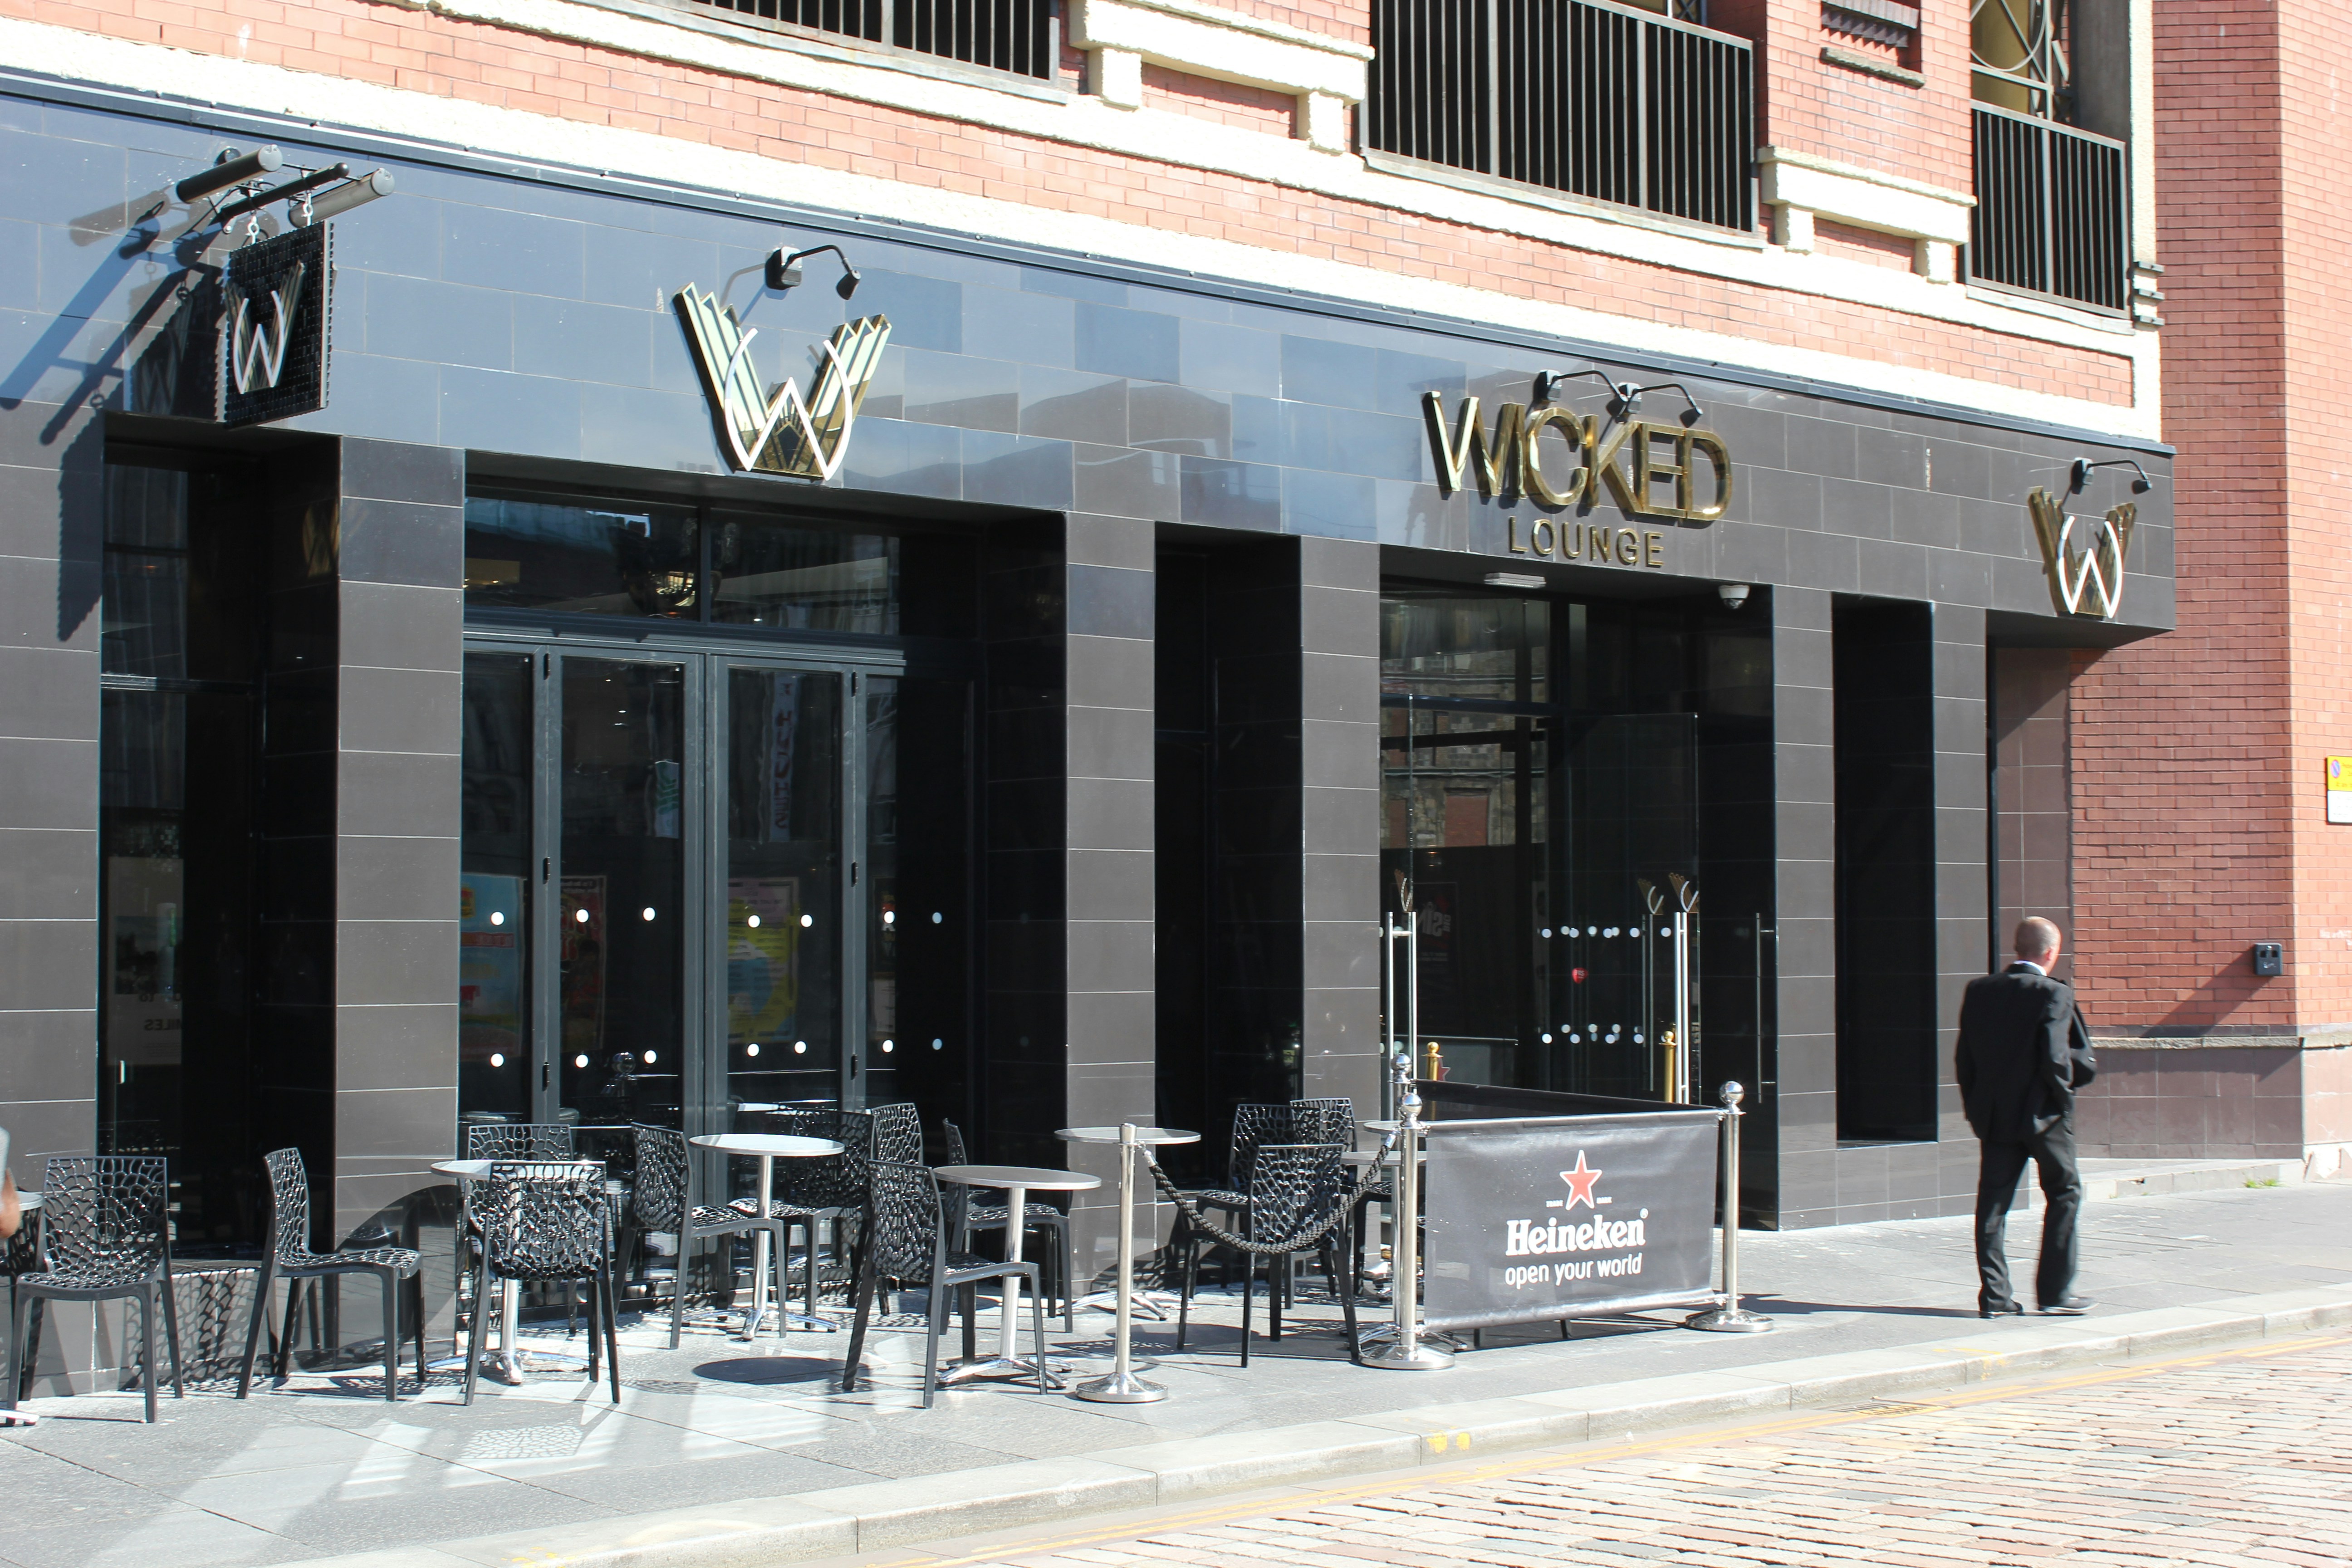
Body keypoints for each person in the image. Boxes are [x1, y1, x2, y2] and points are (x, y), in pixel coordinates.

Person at [1955, 916, 2097, 1319]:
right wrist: (2063, 1102)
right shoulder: (2053, 993)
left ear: (2017, 949)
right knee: (2065, 1194)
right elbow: (2056, 1058)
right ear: (2052, 953)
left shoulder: (1979, 991)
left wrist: (1976, 1109)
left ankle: (1995, 1298)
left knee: (1993, 1206)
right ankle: (2055, 1293)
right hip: (2045, 1118)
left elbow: (1965, 1058)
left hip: (1995, 1118)